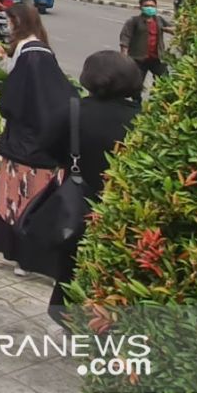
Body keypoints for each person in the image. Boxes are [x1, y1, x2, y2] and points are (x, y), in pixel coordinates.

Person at [47, 51, 142, 319]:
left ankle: (63, 315)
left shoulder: (75, 111)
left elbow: (47, 147)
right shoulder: (141, 118)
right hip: (124, 207)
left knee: (72, 259)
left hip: (78, 200)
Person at [0, 4, 73, 271]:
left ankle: (25, 258)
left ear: (19, 22)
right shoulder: (41, 52)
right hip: (44, 146)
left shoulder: (31, 54)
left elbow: (13, 100)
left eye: (9, 20)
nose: (7, 25)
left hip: (26, 149)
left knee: (23, 204)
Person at [119, 0, 173, 88]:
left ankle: (155, 99)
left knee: (164, 80)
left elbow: (174, 29)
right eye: (146, 6)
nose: (150, 8)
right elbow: (125, 38)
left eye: (152, 6)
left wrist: (169, 29)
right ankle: (136, 101)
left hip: (157, 58)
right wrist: (124, 57)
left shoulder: (159, 20)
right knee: (136, 84)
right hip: (138, 59)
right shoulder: (133, 21)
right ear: (140, 7)